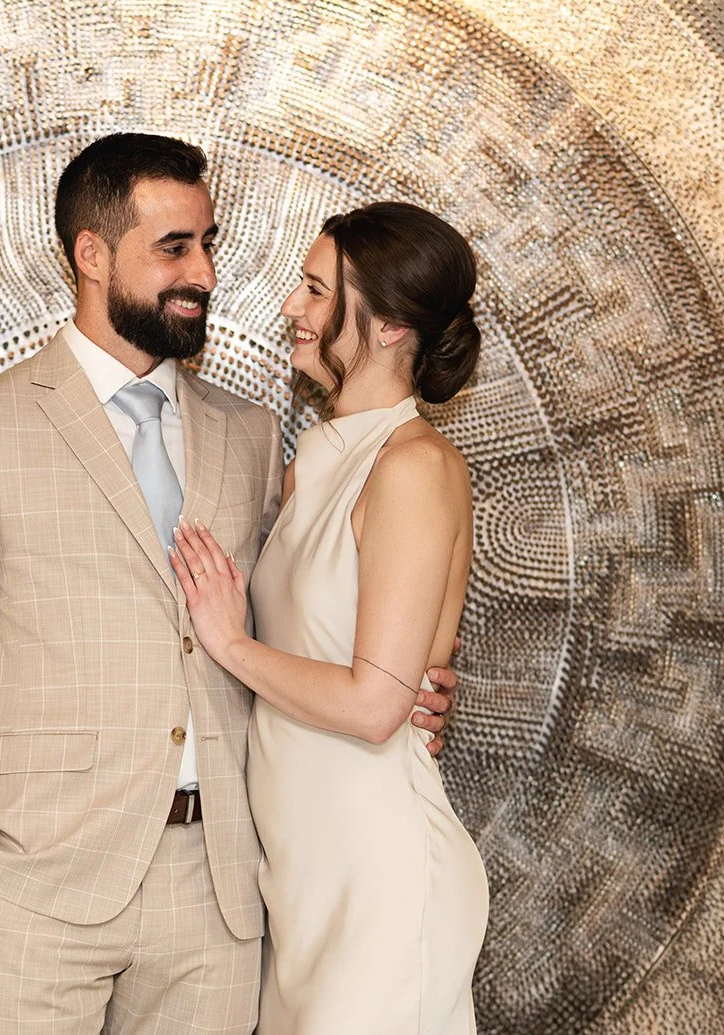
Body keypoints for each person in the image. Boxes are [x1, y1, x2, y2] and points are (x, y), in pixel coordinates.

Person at [0, 135, 458, 1033]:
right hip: (32, 890)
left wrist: (414, 680)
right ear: (92, 255)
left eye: (209, 242)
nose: (207, 273)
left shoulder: (254, 435)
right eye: (175, 247)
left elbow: (300, 614)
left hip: (219, 895)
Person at [168, 202, 488, 1033]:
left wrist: (230, 642)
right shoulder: (313, 457)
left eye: (316, 289)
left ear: (386, 326)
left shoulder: (415, 465)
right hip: (303, 880)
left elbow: (377, 705)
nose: (291, 308)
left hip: (377, 880)